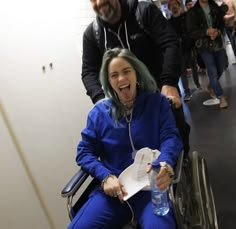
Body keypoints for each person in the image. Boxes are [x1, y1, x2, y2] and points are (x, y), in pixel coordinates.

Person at [68, 48, 183, 229]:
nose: (121, 79)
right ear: (108, 81)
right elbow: (84, 153)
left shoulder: (156, 103)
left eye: (126, 71)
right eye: (114, 75)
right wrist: (105, 177)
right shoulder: (98, 114)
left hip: (151, 188)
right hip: (114, 194)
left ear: (136, 73)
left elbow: (171, 137)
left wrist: (165, 162)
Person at [81, 0, 190, 154]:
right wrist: (101, 99)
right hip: (126, 106)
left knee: (175, 135)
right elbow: (89, 72)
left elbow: (170, 43)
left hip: (159, 96)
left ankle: (182, 162)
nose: (100, 2)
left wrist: (169, 82)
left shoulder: (144, 12)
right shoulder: (92, 34)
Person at [186, 0, 229, 108]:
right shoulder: (193, 12)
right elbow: (191, 32)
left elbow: (221, 22)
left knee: (222, 65)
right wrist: (206, 32)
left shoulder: (213, 6)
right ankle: (221, 97)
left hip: (217, 42)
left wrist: (217, 32)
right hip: (204, 46)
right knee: (212, 71)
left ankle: (211, 85)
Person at [168, 0, 201, 102]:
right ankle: (187, 91)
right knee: (182, 71)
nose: (174, 7)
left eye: (176, 4)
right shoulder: (169, 23)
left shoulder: (186, 17)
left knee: (193, 66)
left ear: (179, 6)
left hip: (189, 47)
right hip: (178, 50)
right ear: (169, 8)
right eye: (171, 5)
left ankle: (197, 84)